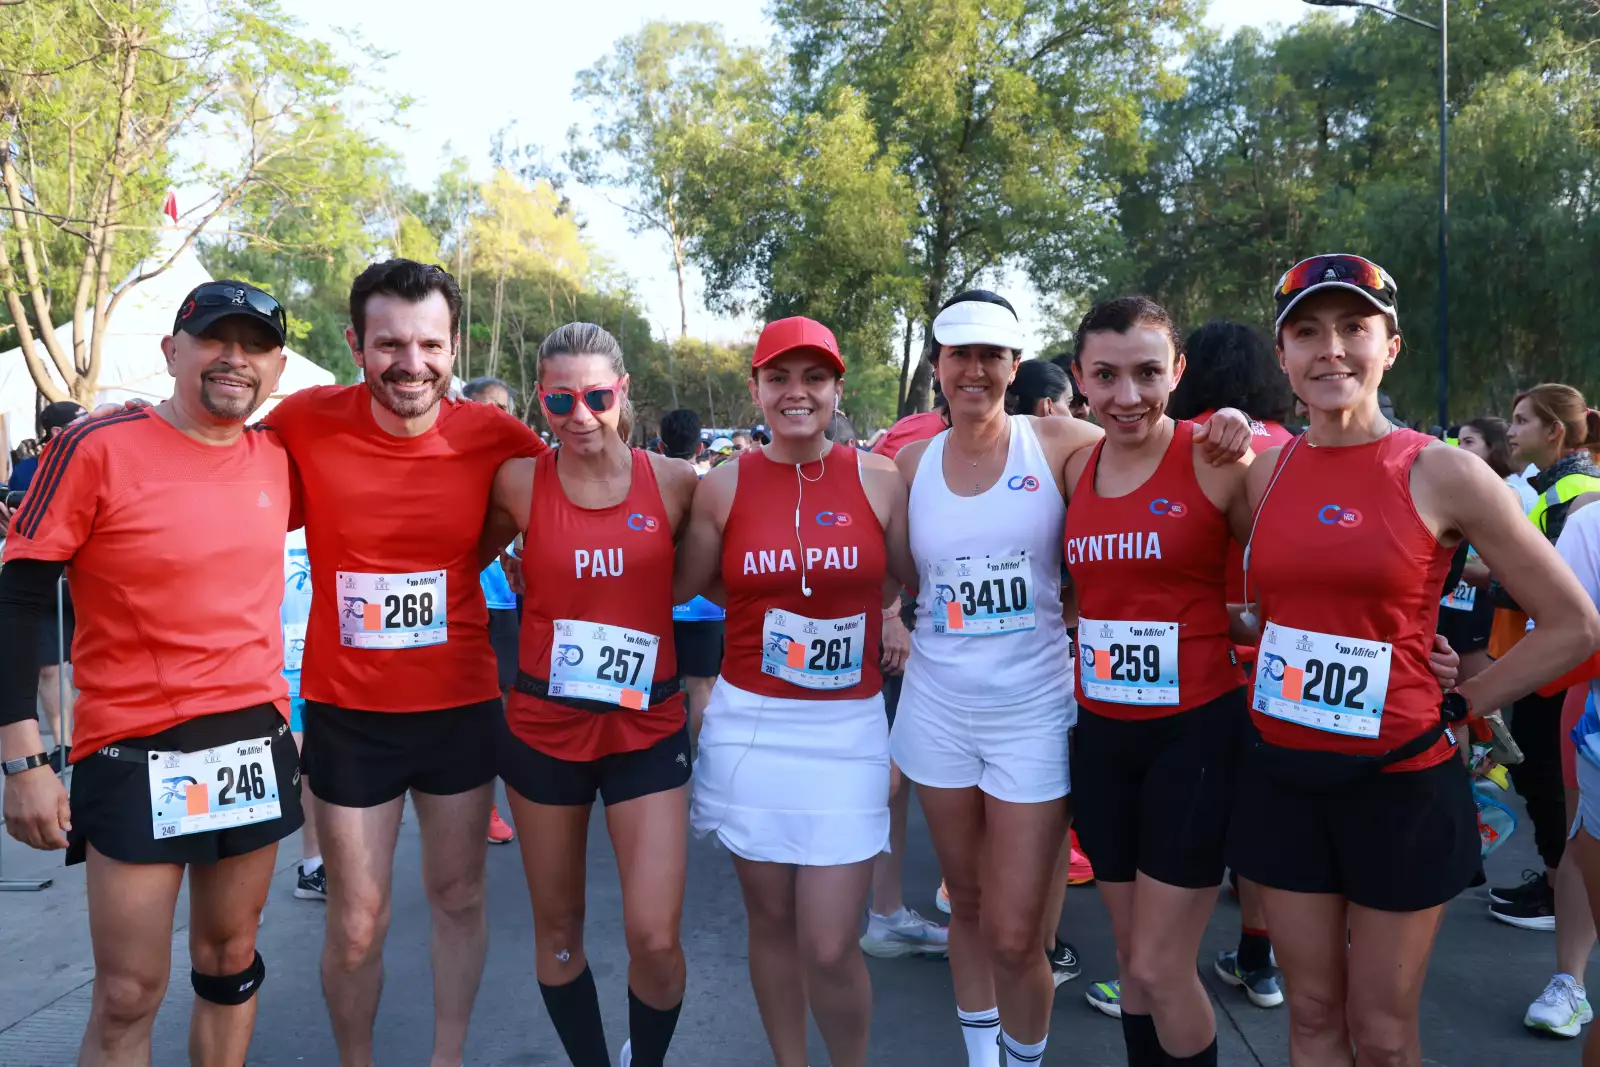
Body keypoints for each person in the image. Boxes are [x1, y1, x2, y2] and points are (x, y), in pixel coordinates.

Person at [1228, 253, 1600, 1067]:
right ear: (1283, 354)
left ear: (1389, 346)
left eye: (1354, 328)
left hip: (1397, 781)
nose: (1331, 351)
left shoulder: (1443, 470)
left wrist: (1466, 703)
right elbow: (1271, 608)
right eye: (1307, 332)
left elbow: (1574, 622)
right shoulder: (1264, 474)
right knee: (1313, 1018)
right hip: (1282, 777)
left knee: (1386, 1034)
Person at [890, 289, 1250, 1067]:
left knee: (1020, 932)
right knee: (970, 907)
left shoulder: (1062, 443)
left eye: (992, 356)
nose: (976, 371)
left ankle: (1024, 1058)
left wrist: (1228, 426)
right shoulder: (911, 462)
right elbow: (895, 571)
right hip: (940, 708)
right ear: (939, 367)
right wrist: (889, 617)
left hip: (1037, 709)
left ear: (1016, 366)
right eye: (960, 356)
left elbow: (1150, 447)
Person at [0, 280, 303, 1066]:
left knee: (231, 962)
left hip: (252, 745)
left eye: (257, 346)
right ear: (172, 351)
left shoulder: (278, 457)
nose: (235, 358)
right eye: (214, 339)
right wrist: (24, 759)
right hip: (135, 749)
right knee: (129, 989)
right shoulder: (96, 446)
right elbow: (19, 599)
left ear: (277, 369)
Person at [266, 259, 546, 1067]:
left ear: (454, 346)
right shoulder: (305, 420)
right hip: (350, 713)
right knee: (356, 921)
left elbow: (580, 497)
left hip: (457, 706)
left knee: (458, 895)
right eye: (390, 342)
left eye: (430, 343)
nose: (411, 363)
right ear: (356, 343)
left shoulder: (493, 434)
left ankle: (445, 1058)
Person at [679, 315, 913, 1067]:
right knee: (771, 922)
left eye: (813, 377)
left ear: (837, 389)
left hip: (846, 730)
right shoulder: (722, 487)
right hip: (753, 725)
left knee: (828, 939)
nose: (796, 392)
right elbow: (696, 583)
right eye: (778, 377)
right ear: (755, 387)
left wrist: (890, 619)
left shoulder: (880, 478)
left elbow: (906, 575)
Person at [484, 323, 699, 1067]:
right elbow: (456, 559)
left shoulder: (673, 482)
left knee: (656, 936)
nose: (581, 414)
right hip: (545, 730)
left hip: (648, 728)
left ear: (623, 393)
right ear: (542, 398)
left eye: (597, 396)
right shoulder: (518, 481)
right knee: (560, 930)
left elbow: (721, 581)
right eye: (561, 398)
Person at [1062, 300, 1261, 1067]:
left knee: (1157, 965)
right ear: (1079, 378)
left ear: (1178, 372)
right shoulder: (1078, 464)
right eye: (1105, 375)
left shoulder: (1216, 456)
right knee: (1130, 956)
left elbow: (1297, 569)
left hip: (1197, 734)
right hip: (1104, 734)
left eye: (1148, 372)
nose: (1127, 395)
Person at [1164, 318, 1298, 1015]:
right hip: (1282, 668)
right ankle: (1257, 957)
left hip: (1202, 659)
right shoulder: (1298, 451)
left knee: (1189, 821)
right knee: (1261, 817)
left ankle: (1159, 969)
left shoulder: (1187, 452)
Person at [1492, 385, 1600, 930]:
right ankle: (1556, 880)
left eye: (1521, 420)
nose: (1510, 431)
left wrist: (1488, 573)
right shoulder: (1553, 489)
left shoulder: (1573, 494)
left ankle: (1560, 890)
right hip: (1541, 659)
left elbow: (1556, 595)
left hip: (1554, 667)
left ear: (1554, 430)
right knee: (1540, 776)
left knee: (1547, 780)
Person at [462, 375, 522, 845]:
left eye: (504, 407)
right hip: (457, 602)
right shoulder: (450, 459)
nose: (496, 415)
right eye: (486, 406)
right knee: (470, 708)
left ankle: (490, 802)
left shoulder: (522, 465)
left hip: (503, 600)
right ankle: (481, 808)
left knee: (502, 707)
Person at [660, 407, 725, 743]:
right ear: (700, 447)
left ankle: (663, 762)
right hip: (706, 606)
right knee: (703, 687)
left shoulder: (652, 486)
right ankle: (702, 761)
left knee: (660, 689)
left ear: (659, 445)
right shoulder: (713, 486)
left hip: (662, 603)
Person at [284, 526, 326, 901]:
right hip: (270, 670)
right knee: (278, 777)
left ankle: (313, 868)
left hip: (319, 666)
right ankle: (243, 892)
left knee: (313, 771)